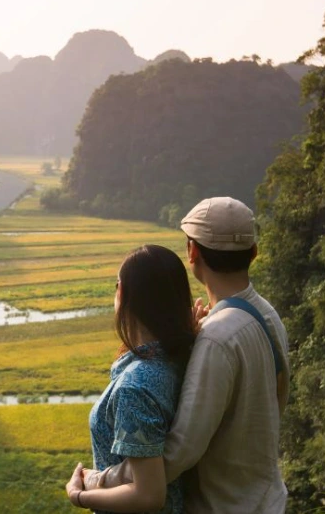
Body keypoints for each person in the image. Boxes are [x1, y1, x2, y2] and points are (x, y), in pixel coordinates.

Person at [73, 197, 290, 514]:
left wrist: (95, 482)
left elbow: (180, 451)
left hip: (223, 505)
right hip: (263, 498)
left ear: (192, 252)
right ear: (254, 253)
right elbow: (278, 398)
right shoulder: (266, 315)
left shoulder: (217, 337)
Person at [65, 244, 197, 513]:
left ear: (123, 292)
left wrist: (80, 495)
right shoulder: (179, 356)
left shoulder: (135, 386)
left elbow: (148, 496)